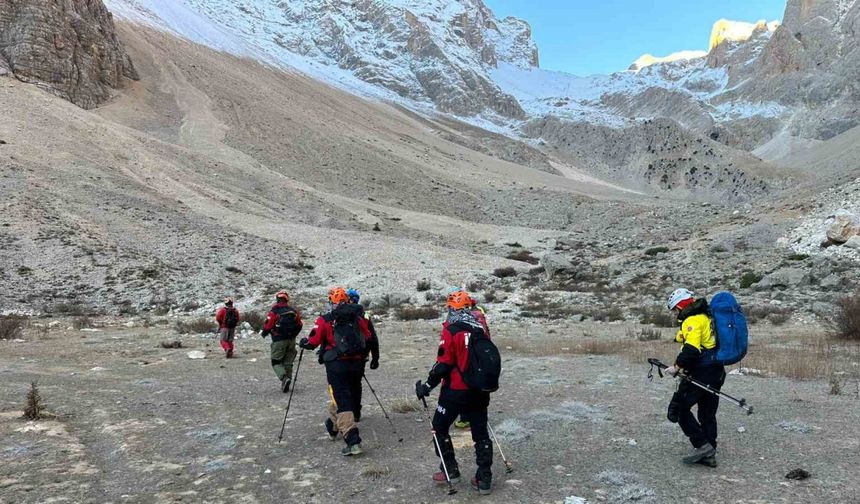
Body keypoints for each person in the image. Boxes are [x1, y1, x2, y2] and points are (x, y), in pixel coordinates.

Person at [415, 290, 493, 495]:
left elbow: (444, 364)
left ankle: (450, 470)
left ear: (452, 309)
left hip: (455, 391)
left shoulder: (451, 330)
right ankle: (484, 478)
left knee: (439, 428)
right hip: (479, 390)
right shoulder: (480, 328)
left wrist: (427, 386)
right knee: (481, 434)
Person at [300, 287, 379, 456]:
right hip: (356, 364)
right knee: (345, 395)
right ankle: (333, 425)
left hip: (336, 365)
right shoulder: (358, 317)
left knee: (342, 399)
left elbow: (313, 341)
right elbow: (368, 337)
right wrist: (371, 358)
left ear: (331, 301)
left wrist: (304, 343)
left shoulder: (326, 319)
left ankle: (353, 440)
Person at [664, 288, 726, 468]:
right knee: (707, 412)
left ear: (681, 305)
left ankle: (702, 445)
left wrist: (676, 367)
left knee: (679, 409)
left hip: (701, 372)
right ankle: (709, 453)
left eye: (675, 309)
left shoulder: (692, 320)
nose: (675, 314)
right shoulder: (706, 317)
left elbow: (691, 349)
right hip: (717, 370)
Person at [454, 295, 492, 430]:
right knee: (479, 385)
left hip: (468, 352)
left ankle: (465, 418)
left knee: (465, 383)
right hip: (483, 352)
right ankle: (480, 416)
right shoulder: (479, 312)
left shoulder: (466, 316)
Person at [261, 291, 303, 393]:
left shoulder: (274, 311)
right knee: (288, 362)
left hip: (278, 340)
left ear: (277, 299)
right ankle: (287, 383)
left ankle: (284, 378)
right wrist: (294, 335)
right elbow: (300, 325)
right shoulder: (293, 311)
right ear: (287, 300)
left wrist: (264, 333)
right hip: (291, 341)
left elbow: (268, 325)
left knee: (276, 361)